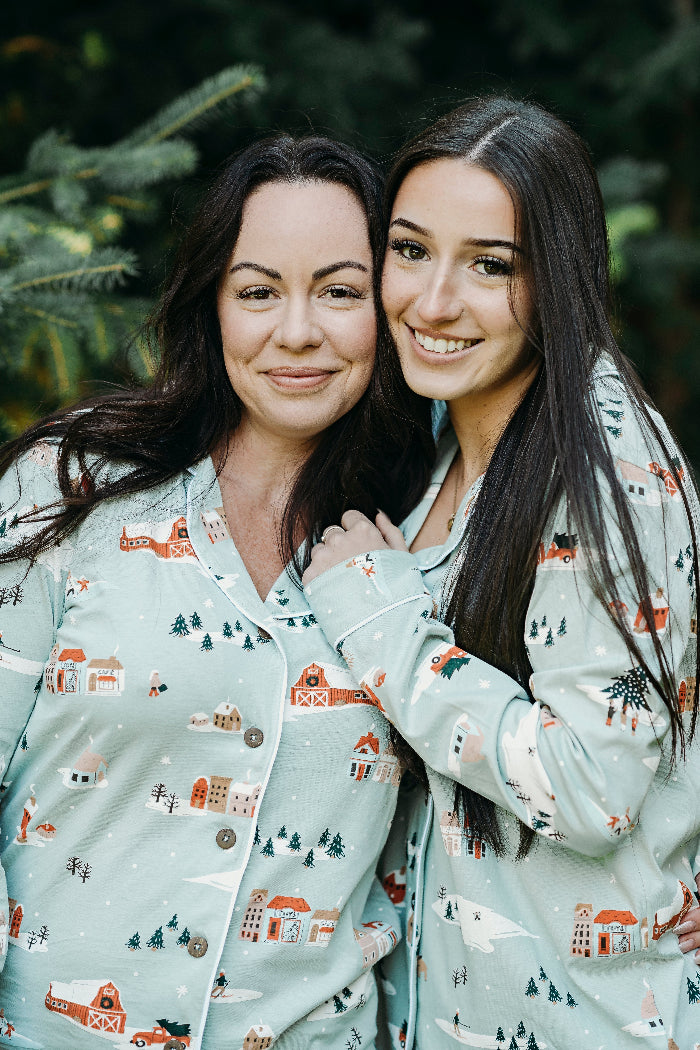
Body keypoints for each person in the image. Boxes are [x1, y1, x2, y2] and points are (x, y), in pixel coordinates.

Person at [0, 134, 432, 1048]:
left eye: (341, 291)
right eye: (259, 290)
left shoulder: (429, 542)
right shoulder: (68, 486)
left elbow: (566, 742)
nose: (299, 331)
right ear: (213, 306)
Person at [302, 98, 700, 1048]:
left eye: (490, 266)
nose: (434, 303)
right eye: (409, 250)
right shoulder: (452, 432)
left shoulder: (602, 462)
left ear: (556, 278)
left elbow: (590, 784)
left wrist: (381, 617)